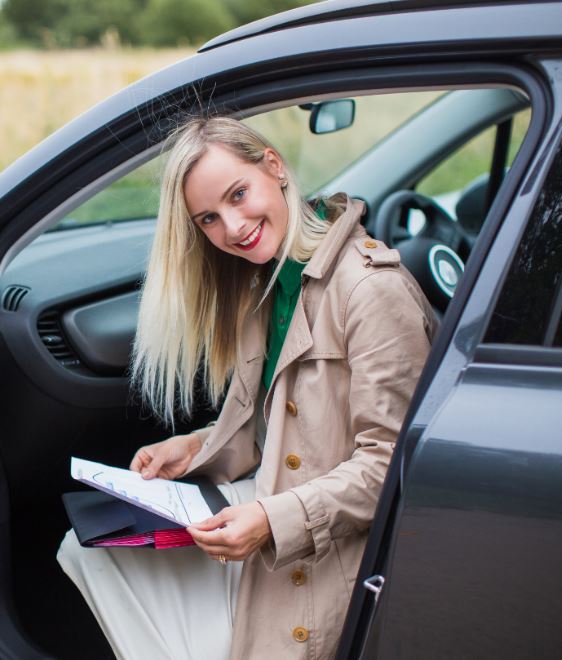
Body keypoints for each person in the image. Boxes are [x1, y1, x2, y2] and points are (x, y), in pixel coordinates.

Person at [57, 115, 436, 660]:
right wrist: (194, 446)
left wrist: (269, 520)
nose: (233, 228)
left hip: (336, 543)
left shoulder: (370, 289)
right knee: (91, 548)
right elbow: (293, 418)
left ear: (274, 167)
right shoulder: (268, 283)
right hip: (277, 500)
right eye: (209, 217)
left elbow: (394, 465)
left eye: (239, 195)